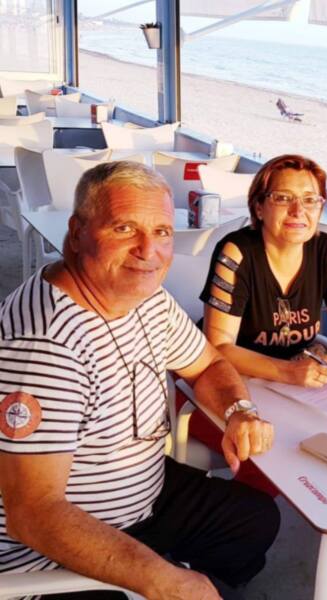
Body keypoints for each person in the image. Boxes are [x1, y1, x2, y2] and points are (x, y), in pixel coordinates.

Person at [0, 161, 279, 600]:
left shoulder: (144, 298)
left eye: (163, 232)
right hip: (54, 550)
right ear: (77, 233)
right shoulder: (45, 345)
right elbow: (33, 514)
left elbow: (207, 365)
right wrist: (162, 579)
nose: (149, 250)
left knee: (255, 519)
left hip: (145, 495)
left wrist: (238, 411)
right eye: (125, 229)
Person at [200, 154, 327, 388]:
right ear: (259, 207)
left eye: (310, 200)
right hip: (240, 375)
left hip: (300, 374)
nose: (298, 210)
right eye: (283, 198)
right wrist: (287, 371)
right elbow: (219, 347)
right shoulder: (237, 253)